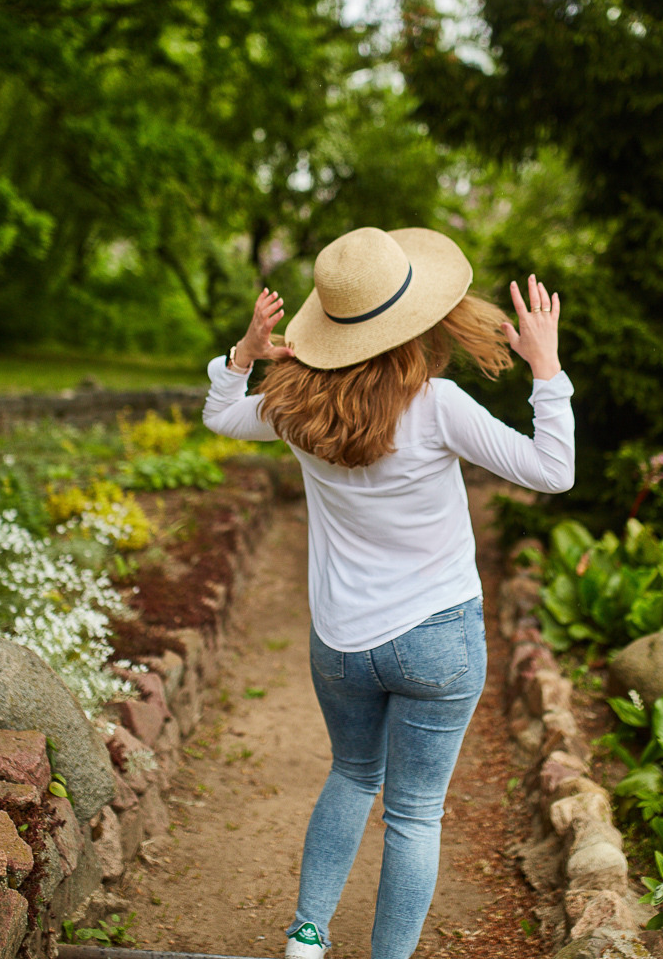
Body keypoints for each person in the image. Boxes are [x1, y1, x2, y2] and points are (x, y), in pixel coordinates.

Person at [201, 226, 575, 959]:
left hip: (341, 643)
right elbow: (551, 469)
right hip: (437, 639)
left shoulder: (293, 401)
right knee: (413, 815)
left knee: (350, 774)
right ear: (411, 322)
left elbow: (219, 412)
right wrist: (547, 367)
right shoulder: (436, 404)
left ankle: (307, 937)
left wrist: (247, 353)